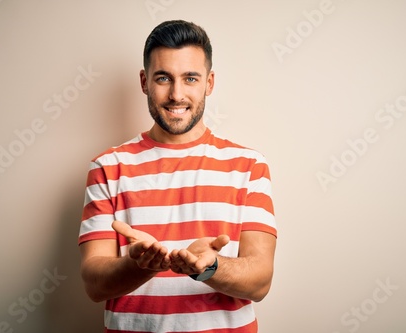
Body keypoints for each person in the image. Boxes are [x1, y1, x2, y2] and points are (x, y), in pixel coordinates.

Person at [78, 20, 277, 333]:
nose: (176, 94)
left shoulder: (249, 165)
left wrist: (210, 266)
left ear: (209, 83)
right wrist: (138, 265)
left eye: (190, 78)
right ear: (144, 81)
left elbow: (260, 281)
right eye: (163, 78)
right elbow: (94, 284)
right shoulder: (107, 166)